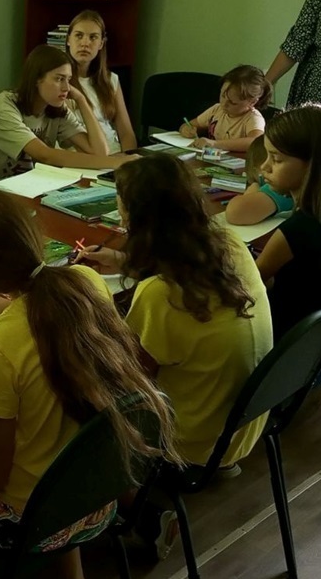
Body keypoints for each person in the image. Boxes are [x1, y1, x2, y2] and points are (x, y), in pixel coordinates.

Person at [0, 188, 177, 579]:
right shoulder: (86, 283)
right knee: (52, 437)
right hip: (96, 494)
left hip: (27, 522)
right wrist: (11, 304)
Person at [83, 155, 273, 473]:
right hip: (244, 424)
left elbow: (128, 374)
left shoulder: (159, 294)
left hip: (192, 444)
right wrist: (122, 260)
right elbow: (183, 267)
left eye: (121, 204)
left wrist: (89, 300)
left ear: (136, 217)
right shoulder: (231, 246)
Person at [253, 105, 321, 340]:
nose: (264, 166)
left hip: (289, 345)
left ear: (313, 164)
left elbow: (249, 283)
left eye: (276, 158)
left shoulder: (298, 230)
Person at [0, 45, 136, 180]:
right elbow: (44, 154)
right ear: (36, 79)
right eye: (59, 79)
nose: (66, 88)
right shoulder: (3, 107)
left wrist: (81, 100)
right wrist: (117, 162)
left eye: (69, 79)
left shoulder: (56, 108)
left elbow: (100, 152)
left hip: (32, 187)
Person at [63, 10, 136, 153]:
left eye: (93, 37)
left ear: (101, 43)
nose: (85, 43)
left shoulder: (110, 80)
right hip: (81, 156)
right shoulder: (60, 81)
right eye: (79, 36)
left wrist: (128, 159)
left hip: (114, 153)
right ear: (68, 40)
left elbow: (126, 133)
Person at [178, 64, 272, 153]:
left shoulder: (253, 118)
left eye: (233, 102)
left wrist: (215, 144)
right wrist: (186, 129)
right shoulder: (217, 110)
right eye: (223, 96)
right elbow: (190, 124)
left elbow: (255, 142)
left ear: (252, 102)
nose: (224, 104)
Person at [224, 136, 295, 225]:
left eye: (276, 160)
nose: (264, 167)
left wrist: (252, 194)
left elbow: (235, 212)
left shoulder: (282, 187)